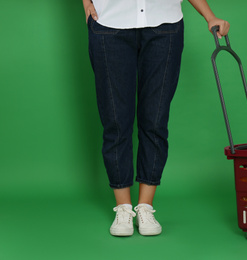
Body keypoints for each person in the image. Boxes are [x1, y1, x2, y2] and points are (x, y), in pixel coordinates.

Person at [82, 0, 230, 237]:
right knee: (116, 121)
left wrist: (209, 16)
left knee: (155, 120)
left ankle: (146, 207)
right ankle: (123, 208)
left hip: (165, 27)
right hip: (109, 25)